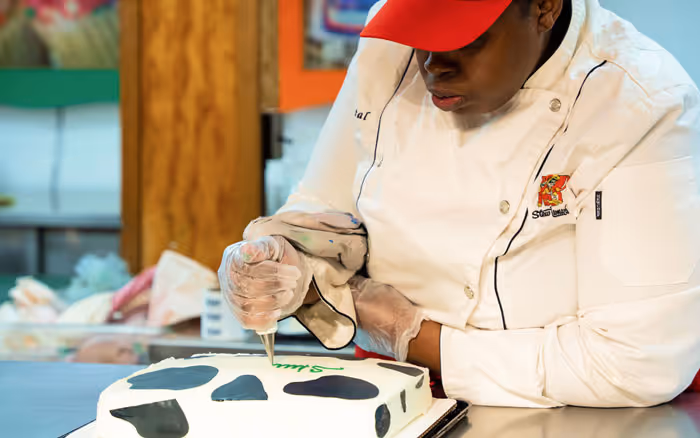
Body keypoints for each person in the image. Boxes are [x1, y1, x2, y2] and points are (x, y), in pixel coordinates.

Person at [219, 0, 700, 408]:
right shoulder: (389, 48)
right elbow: (324, 210)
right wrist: (283, 259)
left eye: (465, 39)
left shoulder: (638, 102)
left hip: (569, 413)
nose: (432, 64)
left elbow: (637, 364)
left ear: (545, 8)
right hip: (390, 392)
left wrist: (409, 333)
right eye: (420, 34)